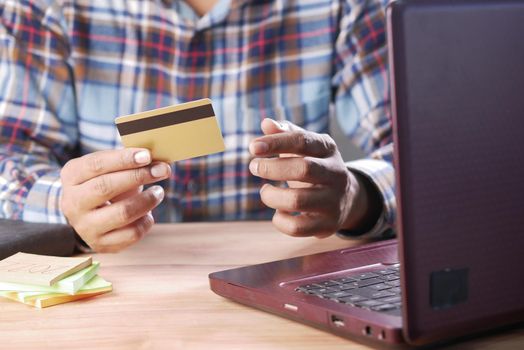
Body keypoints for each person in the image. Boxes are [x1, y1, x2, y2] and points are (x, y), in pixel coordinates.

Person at [0, 0, 394, 252]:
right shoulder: (45, 7)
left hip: (285, 278)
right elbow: (8, 157)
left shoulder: (348, 6)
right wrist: (67, 206)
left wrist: (357, 197)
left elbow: (428, 155)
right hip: (113, 288)